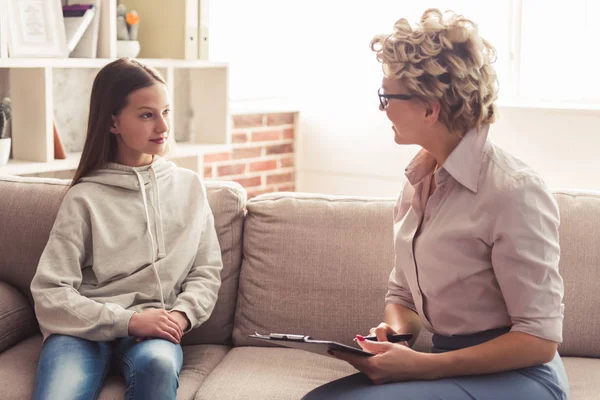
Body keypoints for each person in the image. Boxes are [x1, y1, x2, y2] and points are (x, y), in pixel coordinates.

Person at [303, 9, 569, 400]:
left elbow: (539, 340)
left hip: (521, 377)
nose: (382, 110)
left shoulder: (515, 192)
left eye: (386, 97)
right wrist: (394, 338)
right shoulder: (417, 181)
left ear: (430, 108)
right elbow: (403, 298)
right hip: (445, 365)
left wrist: (424, 367)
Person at [30, 58, 223, 400]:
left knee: (158, 368)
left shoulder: (189, 187)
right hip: (82, 331)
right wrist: (129, 322)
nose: (162, 126)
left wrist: (179, 316)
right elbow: (51, 291)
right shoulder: (84, 197)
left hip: (157, 328)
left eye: (165, 111)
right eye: (147, 114)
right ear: (113, 122)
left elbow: (206, 271)